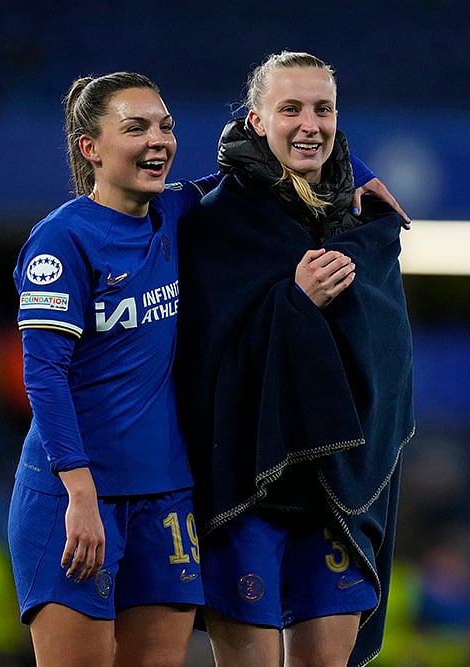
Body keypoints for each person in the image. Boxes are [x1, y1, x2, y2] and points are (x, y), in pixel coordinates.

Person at [7, 70, 408, 667]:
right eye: (136, 128)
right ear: (90, 148)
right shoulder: (61, 242)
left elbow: (262, 163)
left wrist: (361, 171)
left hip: (166, 495)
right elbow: (43, 376)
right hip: (76, 493)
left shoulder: (177, 212)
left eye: (165, 126)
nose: (157, 140)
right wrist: (79, 491)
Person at [174, 51, 415, 667]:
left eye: (323, 109)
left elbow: (389, 359)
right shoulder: (214, 222)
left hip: (338, 496)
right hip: (246, 492)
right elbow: (206, 360)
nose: (309, 124)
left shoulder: (366, 222)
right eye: (291, 109)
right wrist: (294, 303)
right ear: (256, 120)